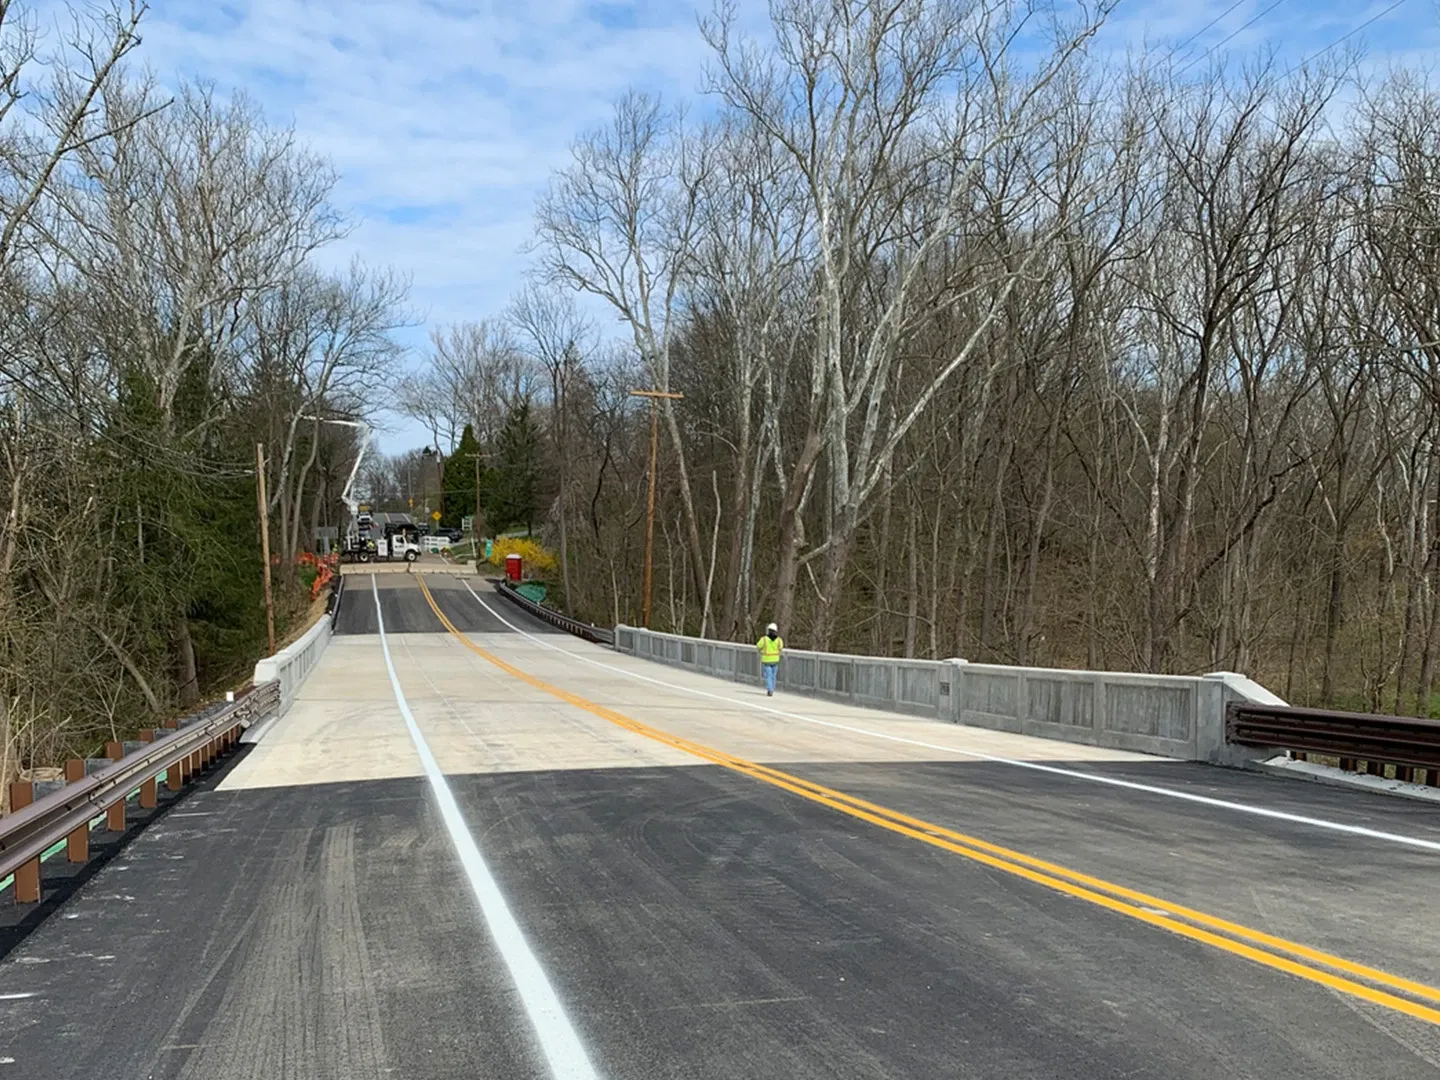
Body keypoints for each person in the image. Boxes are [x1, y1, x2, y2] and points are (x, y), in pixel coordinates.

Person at [756, 622, 784, 696]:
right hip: (775, 660)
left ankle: (770, 690)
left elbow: (758, 646)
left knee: (768, 676)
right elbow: (780, 648)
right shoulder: (779, 640)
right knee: (773, 676)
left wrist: (762, 651)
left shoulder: (764, 639)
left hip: (767, 660)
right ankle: (772, 689)